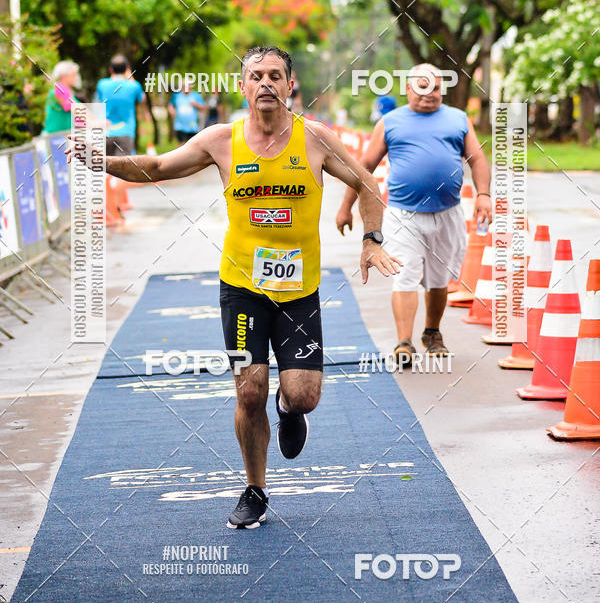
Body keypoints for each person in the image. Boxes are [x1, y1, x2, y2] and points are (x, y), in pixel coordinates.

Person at [67, 45, 400, 529]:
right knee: (249, 392)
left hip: (300, 292)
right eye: (255, 76)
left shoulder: (314, 140)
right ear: (242, 86)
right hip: (242, 288)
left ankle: (290, 411)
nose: (265, 83)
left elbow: (368, 182)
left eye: (275, 76)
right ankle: (255, 489)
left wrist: (371, 240)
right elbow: (159, 167)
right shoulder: (221, 140)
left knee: (304, 394)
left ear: (290, 86)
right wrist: (105, 163)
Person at [336, 63, 492, 367]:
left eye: (434, 87)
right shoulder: (391, 122)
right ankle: (404, 342)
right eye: (421, 87)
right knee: (405, 275)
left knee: (439, 279)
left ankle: (432, 333)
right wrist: (345, 207)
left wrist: (484, 195)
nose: (429, 93)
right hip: (403, 216)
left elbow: (477, 159)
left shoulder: (458, 119)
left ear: (441, 89)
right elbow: (364, 167)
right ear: (408, 89)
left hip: (448, 214)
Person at [95, 55, 144, 155]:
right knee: (123, 168)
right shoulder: (134, 86)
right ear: (127, 69)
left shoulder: (102, 84)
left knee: (105, 166)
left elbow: (100, 100)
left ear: (111, 69)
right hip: (126, 132)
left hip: (105, 132)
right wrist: (130, 77)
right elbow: (142, 99)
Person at [42, 61, 82, 133]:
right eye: (73, 75)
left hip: (62, 137)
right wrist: (95, 122)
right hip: (54, 139)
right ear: (64, 76)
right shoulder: (59, 90)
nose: (76, 78)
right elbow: (77, 110)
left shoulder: (68, 93)